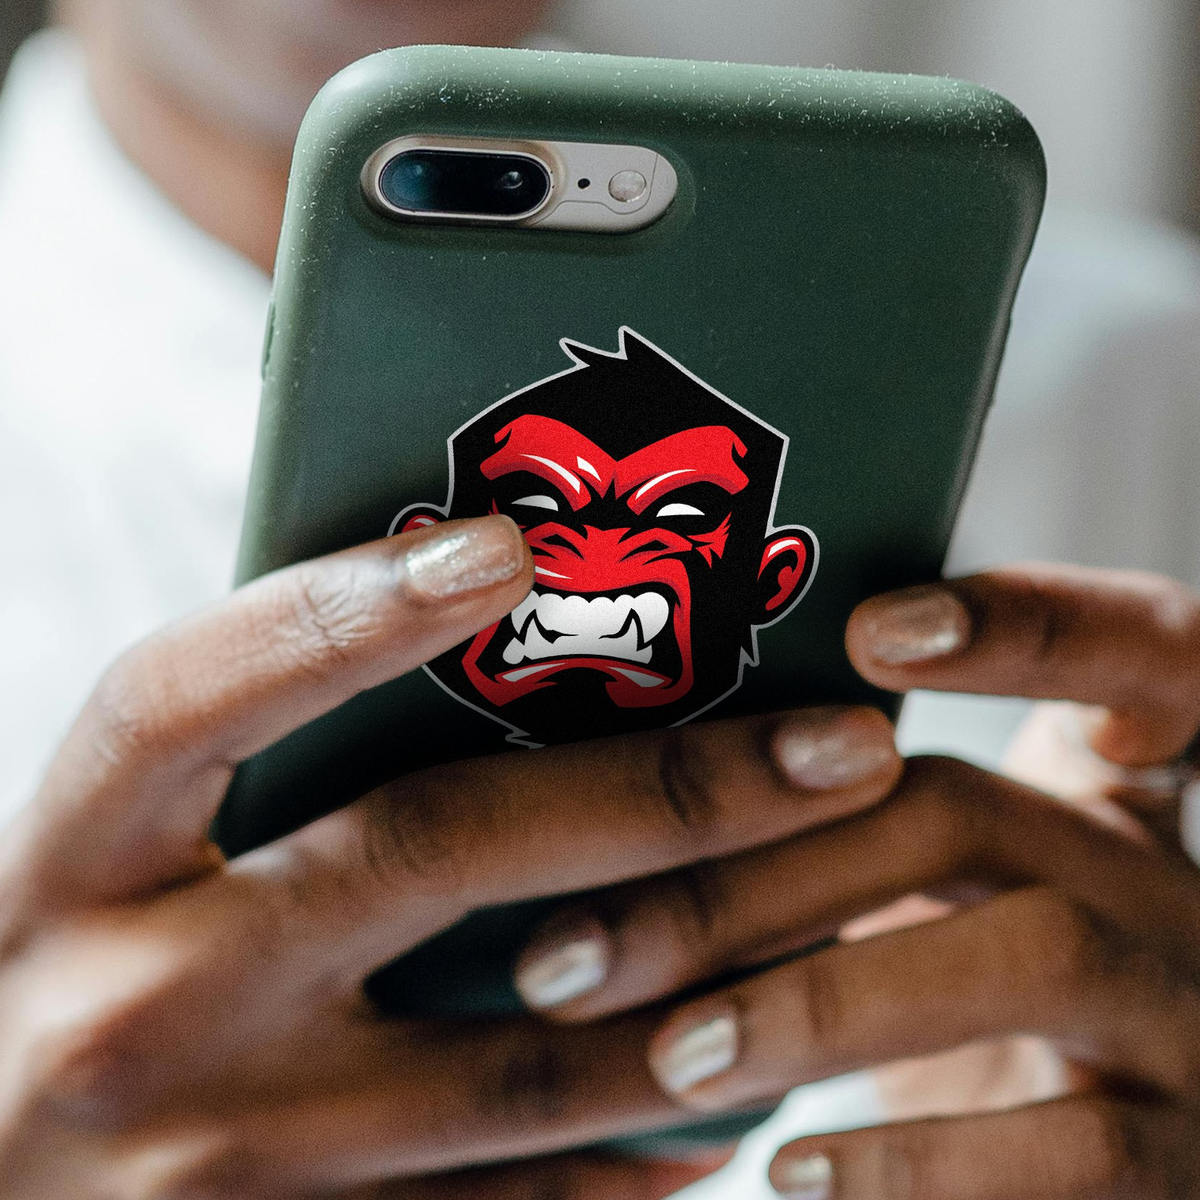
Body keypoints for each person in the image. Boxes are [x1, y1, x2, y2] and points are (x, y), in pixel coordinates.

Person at [1, 2, 1198, 1197]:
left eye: (673, 523)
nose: (600, 559)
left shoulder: (1135, 381)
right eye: (555, 511)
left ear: (773, 574)